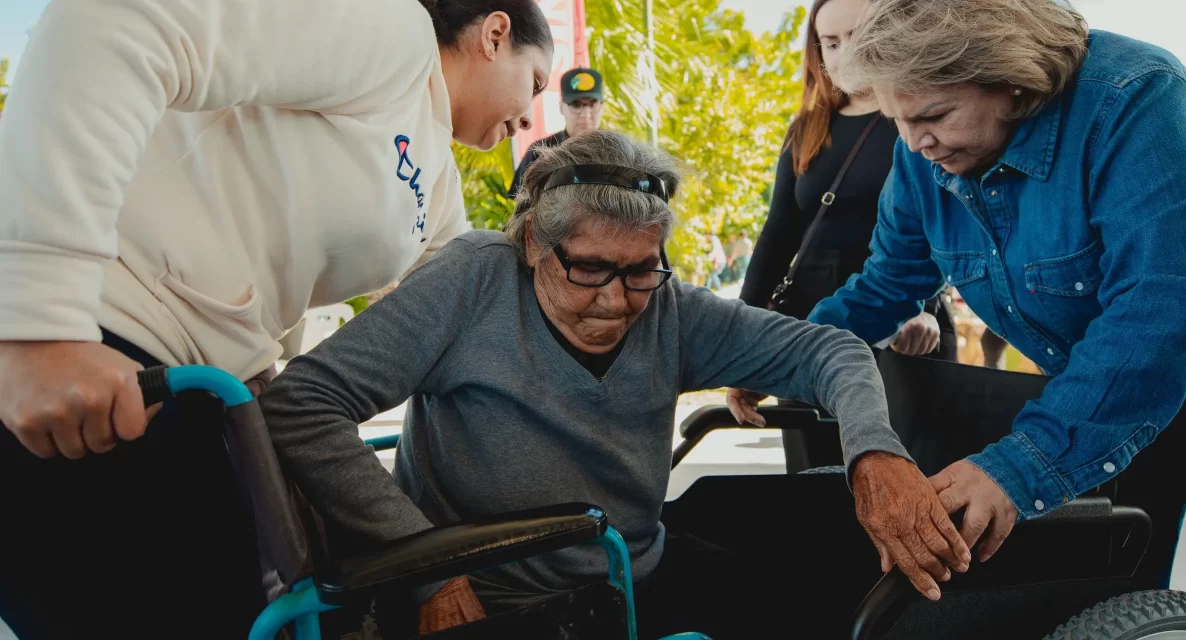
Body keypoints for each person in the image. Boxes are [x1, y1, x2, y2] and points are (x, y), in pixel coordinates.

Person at [260, 131, 971, 639]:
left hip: (629, 571)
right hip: (500, 598)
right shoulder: (474, 278)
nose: (615, 300)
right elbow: (301, 402)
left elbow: (834, 354)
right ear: (535, 240)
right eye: (590, 268)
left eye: (640, 269)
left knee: (836, 573)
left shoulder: (667, 305)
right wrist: (430, 569)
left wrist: (875, 453)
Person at [0, 0, 553, 636]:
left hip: (203, 395)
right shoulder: (392, 35)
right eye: (535, 82)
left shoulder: (438, 179)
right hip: (100, 342)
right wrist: (38, 325)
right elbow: (116, 20)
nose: (531, 115)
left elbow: (465, 305)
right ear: (494, 33)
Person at [780, 0, 1186, 634]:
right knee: (1105, 614)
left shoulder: (1141, 101)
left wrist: (1019, 467)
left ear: (1011, 81)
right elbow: (888, 281)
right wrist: (784, 355)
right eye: (896, 120)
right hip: (1104, 406)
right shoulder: (922, 146)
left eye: (933, 116)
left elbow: (1157, 311)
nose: (912, 144)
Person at [728, 0, 956, 472]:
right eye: (830, 42)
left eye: (857, 35)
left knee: (913, 480)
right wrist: (747, 350)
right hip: (813, 314)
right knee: (816, 485)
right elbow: (776, 239)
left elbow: (952, 222)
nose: (844, 53)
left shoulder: (917, 119)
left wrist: (925, 309)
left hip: (907, 314)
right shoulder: (808, 127)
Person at [507, 66, 607, 198]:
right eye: (576, 105)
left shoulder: (618, 151)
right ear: (561, 107)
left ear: (602, 107)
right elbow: (518, 204)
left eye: (592, 104)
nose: (585, 114)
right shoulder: (539, 153)